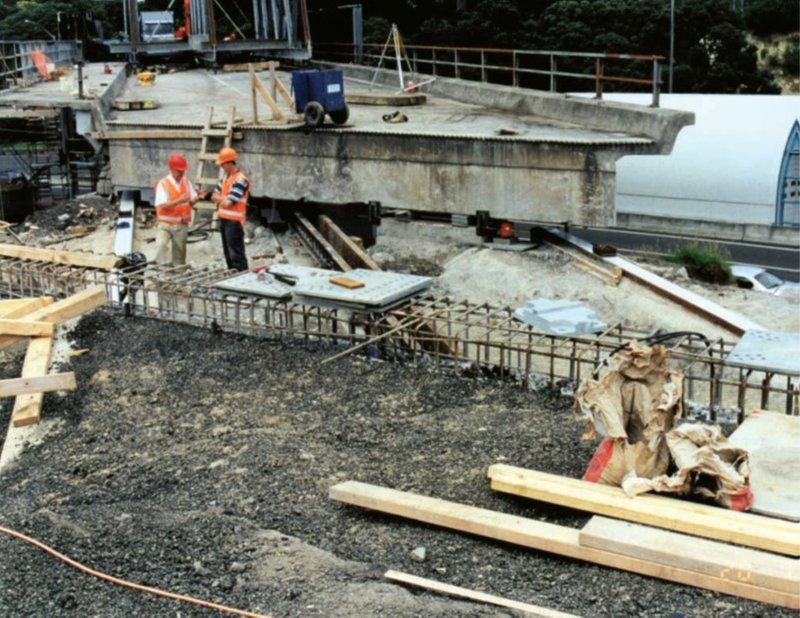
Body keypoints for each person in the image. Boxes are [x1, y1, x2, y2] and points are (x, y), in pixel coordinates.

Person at [154, 153, 204, 266]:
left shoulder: (186, 182)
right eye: (179, 171)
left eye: (183, 171)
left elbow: (189, 203)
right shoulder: (163, 184)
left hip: (181, 225)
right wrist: (179, 201)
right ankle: (158, 272)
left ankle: (179, 274)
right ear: (171, 169)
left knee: (179, 258)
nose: (181, 173)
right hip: (165, 224)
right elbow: (161, 205)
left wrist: (198, 198)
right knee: (161, 246)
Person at [210, 147, 250, 271]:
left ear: (229, 163)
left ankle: (242, 279)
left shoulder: (240, 180)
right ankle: (232, 277)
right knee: (228, 253)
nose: (221, 166)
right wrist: (224, 198)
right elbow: (213, 196)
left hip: (234, 222)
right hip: (225, 220)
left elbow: (229, 203)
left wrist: (221, 198)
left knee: (236, 255)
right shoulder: (226, 178)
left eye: (222, 164)